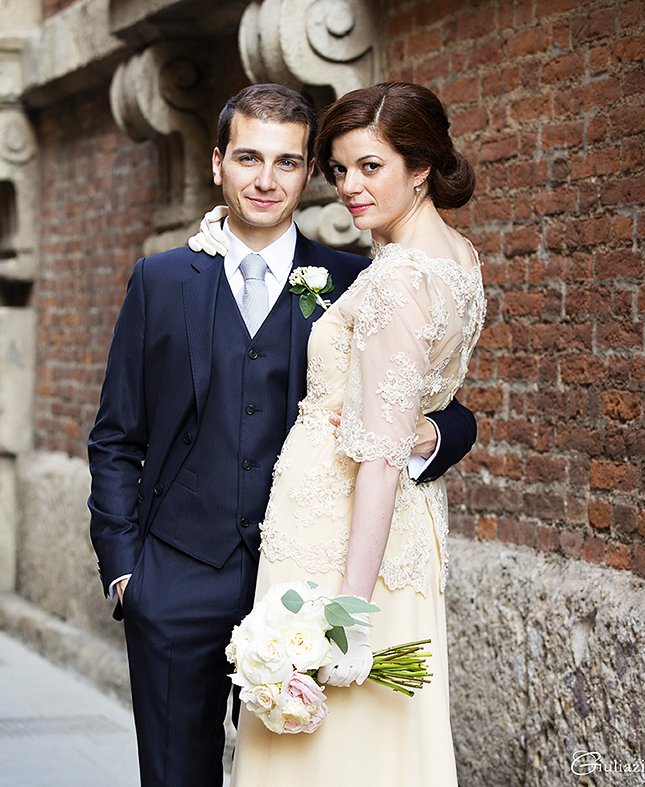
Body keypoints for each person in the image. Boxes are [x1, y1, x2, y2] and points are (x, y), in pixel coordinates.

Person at [88, 83, 477, 787]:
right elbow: (116, 435)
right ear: (217, 164)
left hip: (305, 582)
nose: (266, 179)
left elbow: (441, 405)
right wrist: (126, 574)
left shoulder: (355, 277)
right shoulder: (160, 281)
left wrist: (434, 434)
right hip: (176, 579)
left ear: (306, 173)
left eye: (289, 162)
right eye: (248, 158)